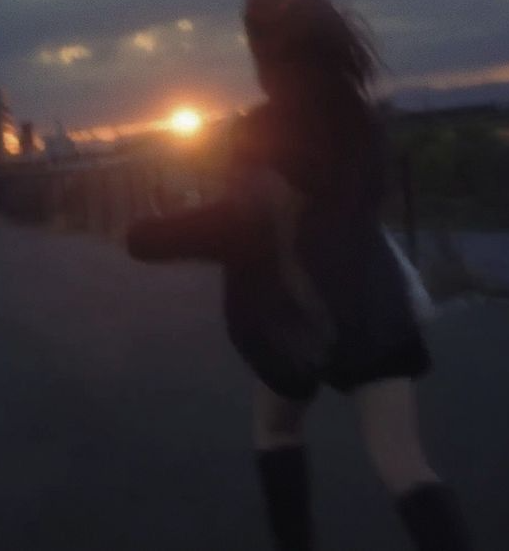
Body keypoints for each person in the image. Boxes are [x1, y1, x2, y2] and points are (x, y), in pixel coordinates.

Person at [126, 0, 474, 549]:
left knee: (276, 428)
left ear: (267, 53)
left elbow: (243, 226)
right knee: (405, 464)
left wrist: (148, 236)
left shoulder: (264, 129)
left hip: (295, 322)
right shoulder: (360, 119)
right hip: (375, 313)